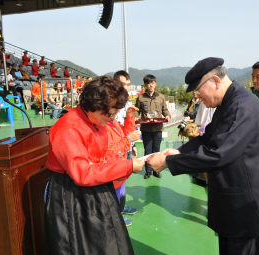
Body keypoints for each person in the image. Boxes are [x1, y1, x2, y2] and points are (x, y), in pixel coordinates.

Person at [147, 57, 259, 255]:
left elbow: (217, 153)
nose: (197, 96)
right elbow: (209, 137)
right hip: (237, 207)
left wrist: (169, 162)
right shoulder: (229, 102)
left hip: (248, 211)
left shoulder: (241, 106)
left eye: (198, 90)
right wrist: (179, 151)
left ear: (215, 81)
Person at [44, 75, 144, 254]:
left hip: (95, 187)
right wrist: (127, 166)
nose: (112, 118)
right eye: (109, 113)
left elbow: (102, 157)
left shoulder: (96, 120)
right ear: (93, 107)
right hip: (71, 196)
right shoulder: (68, 128)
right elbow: (83, 174)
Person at [113, 70, 139, 226]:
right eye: (123, 84)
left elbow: (130, 126)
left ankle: (121, 206)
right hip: (115, 149)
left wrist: (132, 145)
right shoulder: (111, 103)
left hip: (126, 145)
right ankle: (116, 213)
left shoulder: (127, 103)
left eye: (128, 85)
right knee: (115, 181)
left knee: (123, 179)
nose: (126, 88)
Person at [135, 74, 171, 179]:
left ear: (155, 83)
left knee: (157, 150)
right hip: (146, 129)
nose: (151, 85)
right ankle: (148, 171)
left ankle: (156, 170)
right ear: (145, 85)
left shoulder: (161, 97)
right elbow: (137, 111)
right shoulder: (140, 98)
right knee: (147, 150)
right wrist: (135, 118)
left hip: (158, 128)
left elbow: (165, 110)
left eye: (152, 83)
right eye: (148, 83)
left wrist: (168, 115)